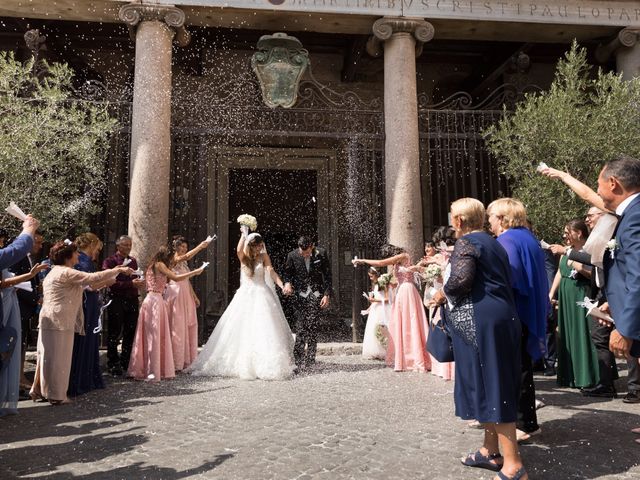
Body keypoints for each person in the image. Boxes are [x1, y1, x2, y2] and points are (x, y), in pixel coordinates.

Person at [429, 198, 526, 480]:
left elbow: (460, 281)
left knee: (493, 385)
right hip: (498, 318)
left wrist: (440, 293)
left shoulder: (466, 243)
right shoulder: (492, 241)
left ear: (459, 221)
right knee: (487, 382)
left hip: (482, 322)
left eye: (451, 218)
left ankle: (514, 464)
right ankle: (490, 450)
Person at [30, 241, 131, 404]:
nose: (78, 256)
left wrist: (109, 280)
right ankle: (56, 395)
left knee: (47, 357)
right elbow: (91, 277)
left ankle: (40, 391)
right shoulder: (66, 272)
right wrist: (118, 269)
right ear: (68, 257)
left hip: (52, 319)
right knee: (59, 358)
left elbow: (88, 285)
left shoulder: (56, 271)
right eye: (76, 253)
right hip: (59, 321)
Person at [189, 231, 295, 380]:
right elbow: (238, 250)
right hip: (246, 294)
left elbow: (271, 271)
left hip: (262, 292)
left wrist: (281, 284)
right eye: (257, 247)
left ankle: (266, 362)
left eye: (261, 246)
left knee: (265, 326)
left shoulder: (264, 257)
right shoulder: (244, 258)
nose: (259, 249)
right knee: (243, 326)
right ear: (250, 246)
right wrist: (243, 234)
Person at [487, 198, 549, 442]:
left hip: (515, 311)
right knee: (522, 367)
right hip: (528, 310)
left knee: (516, 369)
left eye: (491, 217)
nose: (489, 222)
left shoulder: (507, 240)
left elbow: (509, 277)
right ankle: (528, 420)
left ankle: (524, 422)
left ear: (502, 218)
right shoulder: (528, 237)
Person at [128, 246, 204, 382]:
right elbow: (175, 277)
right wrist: (194, 272)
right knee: (156, 336)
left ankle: (147, 368)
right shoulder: (160, 264)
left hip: (151, 300)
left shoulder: (153, 265)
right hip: (155, 301)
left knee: (150, 336)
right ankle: (153, 371)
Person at [354, 245, 431, 373]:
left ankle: (415, 358)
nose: (390, 260)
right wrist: (388, 283)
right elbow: (397, 281)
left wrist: (362, 261)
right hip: (401, 291)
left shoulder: (404, 256)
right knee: (402, 325)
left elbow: (381, 263)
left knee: (410, 323)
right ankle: (405, 358)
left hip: (407, 291)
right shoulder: (397, 263)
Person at [548, 219, 599, 389]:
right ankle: (570, 375)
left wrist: (578, 266)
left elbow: (595, 275)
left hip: (582, 295)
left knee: (582, 333)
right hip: (566, 296)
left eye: (567, 232)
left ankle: (587, 376)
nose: (564, 236)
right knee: (567, 333)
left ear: (578, 233)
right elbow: (560, 272)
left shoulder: (589, 250)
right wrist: (551, 293)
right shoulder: (565, 251)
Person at [598, 155, 640, 360]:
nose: (597, 191)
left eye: (599, 184)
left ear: (613, 183)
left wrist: (626, 329)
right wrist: (616, 303)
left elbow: (638, 275)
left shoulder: (635, 217)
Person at [0, 246, 47, 415]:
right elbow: (3, 283)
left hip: (11, 303)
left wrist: (29, 276)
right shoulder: (9, 257)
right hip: (8, 303)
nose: (40, 246)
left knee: (12, 348)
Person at [282, 236, 332, 370]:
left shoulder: (321, 254)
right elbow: (287, 273)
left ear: (312, 246)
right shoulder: (292, 255)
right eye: (302, 252)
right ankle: (298, 361)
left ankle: (310, 360)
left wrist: (326, 295)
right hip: (300, 296)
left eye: (307, 252)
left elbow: (327, 275)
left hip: (316, 294)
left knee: (313, 327)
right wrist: (287, 283)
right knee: (300, 327)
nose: (304, 254)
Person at [68, 233, 108, 397]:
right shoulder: (81, 261)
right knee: (84, 339)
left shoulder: (86, 261)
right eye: (97, 248)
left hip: (91, 304)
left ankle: (88, 377)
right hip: (85, 304)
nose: (98, 251)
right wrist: (108, 280)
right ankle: (81, 379)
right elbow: (86, 284)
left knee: (91, 339)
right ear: (91, 244)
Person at [166, 235, 212, 371]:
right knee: (178, 326)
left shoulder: (184, 263)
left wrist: (194, 295)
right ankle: (175, 362)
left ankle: (187, 360)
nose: (184, 249)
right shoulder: (172, 259)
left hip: (185, 294)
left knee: (188, 325)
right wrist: (200, 246)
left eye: (186, 247)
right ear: (175, 247)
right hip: (176, 294)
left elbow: (186, 280)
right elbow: (184, 258)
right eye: (182, 247)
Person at [103, 235, 143, 376]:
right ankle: (113, 363)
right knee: (114, 332)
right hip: (117, 300)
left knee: (130, 331)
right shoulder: (110, 261)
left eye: (130, 244)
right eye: (125, 245)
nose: (128, 247)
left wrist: (138, 281)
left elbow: (135, 278)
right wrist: (130, 284)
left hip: (131, 299)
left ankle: (126, 361)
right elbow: (110, 282)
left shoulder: (133, 261)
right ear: (118, 246)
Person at [9, 232, 44, 394]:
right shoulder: (18, 258)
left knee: (23, 342)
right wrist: (35, 299)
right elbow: (15, 282)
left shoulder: (30, 258)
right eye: (37, 242)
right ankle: (17, 378)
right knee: (18, 344)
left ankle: (20, 376)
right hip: (19, 305)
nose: (40, 246)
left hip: (27, 307)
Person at [361, 267, 390, 360]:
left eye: (371, 276)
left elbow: (387, 299)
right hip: (375, 309)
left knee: (381, 329)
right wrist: (369, 308)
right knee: (373, 330)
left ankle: (384, 351)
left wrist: (375, 300)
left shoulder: (383, 283)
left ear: (377, 274)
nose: (370, 278)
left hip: (382, 309)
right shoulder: (376, 284)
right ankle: (375, 351)